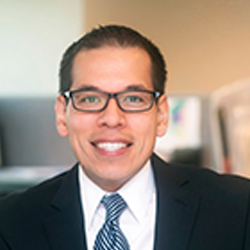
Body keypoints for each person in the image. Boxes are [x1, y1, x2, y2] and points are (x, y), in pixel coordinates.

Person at [0, 24, 249, 250]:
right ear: (62, 115)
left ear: (161, 115)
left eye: (133, 99)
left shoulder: (238, 210)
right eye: (90, 99)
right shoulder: (10, 223)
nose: (111, 118)